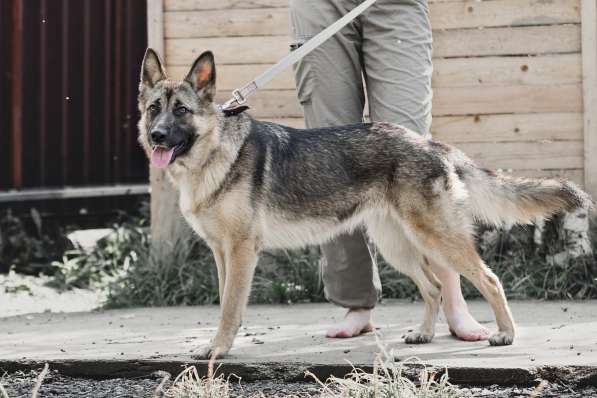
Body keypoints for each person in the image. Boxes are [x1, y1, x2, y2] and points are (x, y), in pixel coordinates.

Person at [289, 0, 490, 341]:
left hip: (396, 5)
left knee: (411, 152)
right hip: (321, 6)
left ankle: (454, 303)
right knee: (332, 155)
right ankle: (356, 303)